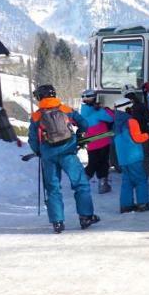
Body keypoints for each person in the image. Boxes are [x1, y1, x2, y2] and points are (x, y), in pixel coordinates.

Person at [29, 84, 100, 234]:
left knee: (53, 188)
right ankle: (86, 216)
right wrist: (80, 135)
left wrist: (39, 151)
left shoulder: (36, 116)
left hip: (49, 155)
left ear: (40, 97)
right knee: (80, 184)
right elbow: (84, 123)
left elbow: (32, 139)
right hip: (68, 152)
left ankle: (57, 222)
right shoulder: (65, 109)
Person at [111, 97, 149, 213]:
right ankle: (143, 203)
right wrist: (147, 135)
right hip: (134, 156)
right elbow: (137, 138)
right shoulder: (131, 121)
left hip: (123, 159)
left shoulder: (115, 123)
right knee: (140, 180)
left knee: (127, 182)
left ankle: (126, 205)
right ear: (127, 108)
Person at [77, 89, 114, 194]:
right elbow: (111, 118)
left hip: (91, 143)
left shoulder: (83, 112)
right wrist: (104, 109)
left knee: (93, 163)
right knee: (102, 163)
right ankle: (102, 184)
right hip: (103, 141)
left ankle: (81, 182)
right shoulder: (98, 112)